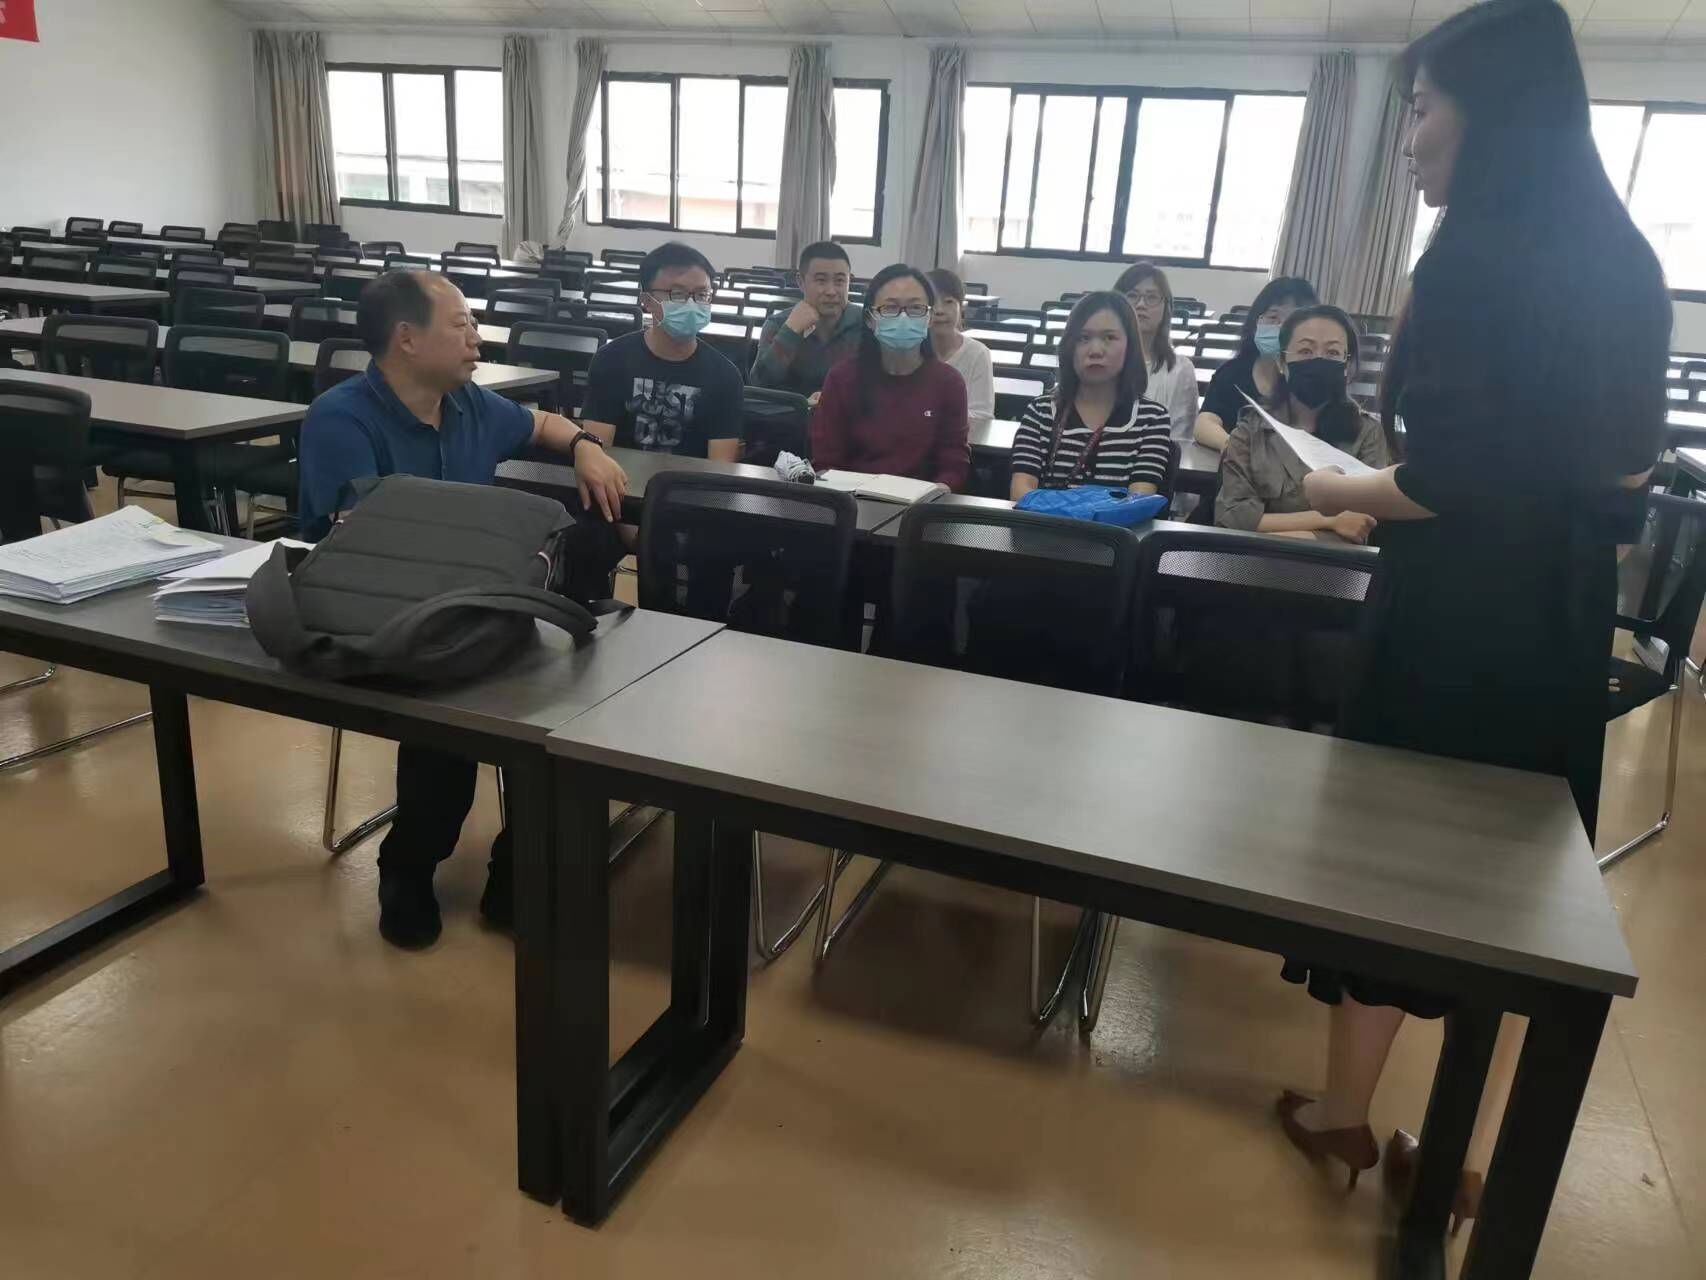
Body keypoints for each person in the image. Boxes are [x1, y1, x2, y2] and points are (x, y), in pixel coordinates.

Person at [1276, 0, 1670, 1232]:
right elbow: (1625, 471)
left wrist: (1333, 489)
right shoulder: (1625, 262)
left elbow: (1444, 480)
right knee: (1508, 895)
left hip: (1444, 623)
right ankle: (1453, 1155)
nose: (1406, 140)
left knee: (1387, 869)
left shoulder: (1471, 258)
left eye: (1419, 108)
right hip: (1552, 626)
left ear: (1488, 114)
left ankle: (1342, 1112)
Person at [297, 269, 629, 950]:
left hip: (469, 604)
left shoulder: (468, 403)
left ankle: (518, 865)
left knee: (560, 695)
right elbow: (363, 540)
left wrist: (584, 447)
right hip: (372, 612)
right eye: (461, 325)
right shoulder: (342, 418)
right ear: (407, 339)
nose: (476, 338)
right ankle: (408, 865)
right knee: (453, 707)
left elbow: (542, 422)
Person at [1214, 305, 1388, 541]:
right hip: (1253, 558)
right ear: (1281, 362)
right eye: (1306, 350)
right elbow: (1232, 517)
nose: (1318, 360)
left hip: (1333, 563)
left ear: (1347, 366)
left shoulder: (1367, 433)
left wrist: (1268, 528)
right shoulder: (1251, 429)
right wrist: (1328, 521)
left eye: (1333, 352)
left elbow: (1360, 527)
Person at [579, 241, 743, 463]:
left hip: (690, 484)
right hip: (618, 480)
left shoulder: (725, 376)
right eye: (677, 293)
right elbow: (596, 456)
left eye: (702, 294)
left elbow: (720, 469)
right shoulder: (611, 360)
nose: (691, 304)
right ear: (647, 301)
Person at [809, 264, 969, 489]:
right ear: (870, 318)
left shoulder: (949, 383)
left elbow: (954, 464)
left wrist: (939, 490)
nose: (903, 318)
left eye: (915, 308)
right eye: (890, 308)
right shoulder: (842, 379)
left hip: (922, 503)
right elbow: (826, 461)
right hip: (851, 500)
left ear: (930, 317)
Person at [1010, 291, 1172, 500]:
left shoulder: (1152, 419)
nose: (1095, 350)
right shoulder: (1041, 412)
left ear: (1130, 346)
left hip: (1116, 523)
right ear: (1069, 347)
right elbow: (1021, 492)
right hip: (1041, 521)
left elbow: (1138, 501)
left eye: (1109, 337)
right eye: (1083, 338)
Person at [1193, 276, 1317, 451]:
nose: (1282, 327)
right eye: (1273, 317)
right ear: (1255, 323)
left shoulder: (1317, 379)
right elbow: (1205, 422)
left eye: (1294, 320)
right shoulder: (1232, 373)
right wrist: (1234, 448)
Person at [749, 240, 863, 399]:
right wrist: (790, 332)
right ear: (801, 282)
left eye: (839, 281)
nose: (831, 291)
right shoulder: (778, 324)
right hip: (795, 412)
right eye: (821, 280)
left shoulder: (865, 323)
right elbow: (759, 384)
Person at [1114, 261, 1199, 442]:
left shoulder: (1180, 369)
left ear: (1166, 308)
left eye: (1151, 297)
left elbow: (1179, 439)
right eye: (1132, 296)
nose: (1141, 304)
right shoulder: (1104, 360)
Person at [926, 268, 995, 432]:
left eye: (948, 302)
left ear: (962, 308)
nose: (939, 310)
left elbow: (982, 416)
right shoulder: (910, 350)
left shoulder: (978, 353)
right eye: (931, 303)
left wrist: (928, 415)